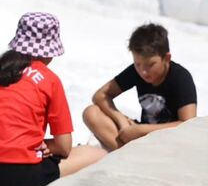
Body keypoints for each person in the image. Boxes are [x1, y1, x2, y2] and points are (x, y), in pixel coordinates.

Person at [0, 12, 105, 186]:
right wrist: (47, 145)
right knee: (95, 154)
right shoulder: (49, 80)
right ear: (50, 52)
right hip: (15, 177)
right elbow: (64, 148)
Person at [82, 23, 197, 151]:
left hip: (169, 142)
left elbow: (188, 125)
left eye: (151, 64)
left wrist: (141, 130)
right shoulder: (137, 72)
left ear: (166, 58)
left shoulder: (180, 77)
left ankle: (125, 154)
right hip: (141, 135)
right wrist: (122, 121)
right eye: (138, 64)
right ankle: (126, 154)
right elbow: (101, 95)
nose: (143, 71)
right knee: (91, 113)